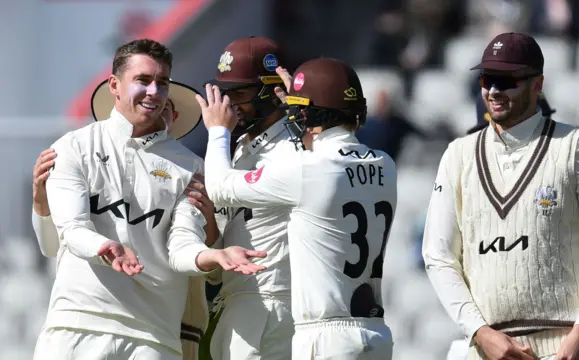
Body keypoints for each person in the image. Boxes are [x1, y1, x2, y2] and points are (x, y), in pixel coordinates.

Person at [32, 39, 267, 360]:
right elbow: (69, 233)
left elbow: (182, 247)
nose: (154, 92)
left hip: (154, 336)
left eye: (162, 83)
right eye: (143, 80)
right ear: (114, 85)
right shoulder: (74, 147)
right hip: (77, 326)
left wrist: (215, 255)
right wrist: (103, 247)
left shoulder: (190, 167)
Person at [422, 32, 579, 360]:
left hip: (564, 348)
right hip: (488, 349)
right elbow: (438, 255)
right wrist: (480, 332)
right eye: (488, 79)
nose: (494, 91)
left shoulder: (575, 146)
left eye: (508, 80)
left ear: (537, 84)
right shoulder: (457, 155)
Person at [200, 57, 397, 359]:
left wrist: (217, 131)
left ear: (306, 113)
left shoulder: (306, 168)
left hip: (324, 336)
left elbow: (220, 187)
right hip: (375, 334)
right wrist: (308, 99)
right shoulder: (386, 165)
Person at [32, 81, 214, 360]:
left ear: (174, 119)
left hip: (161, 328)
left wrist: (210, 220)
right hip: (82, 320)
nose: (155, 112)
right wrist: (41, 203)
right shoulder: (82, 148)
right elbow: (52, 247)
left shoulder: (190, 169)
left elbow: (206, 258)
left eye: (166, 109)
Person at [196, 36, 297, 360]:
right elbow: (218, 255)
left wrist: (217, 133)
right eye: (224, 93)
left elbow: (221, 188)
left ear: (271, 90)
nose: (228, 104)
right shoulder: (241, 149)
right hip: (236, 302)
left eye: (239, 93)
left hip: (272, 303)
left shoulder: (292, 150)